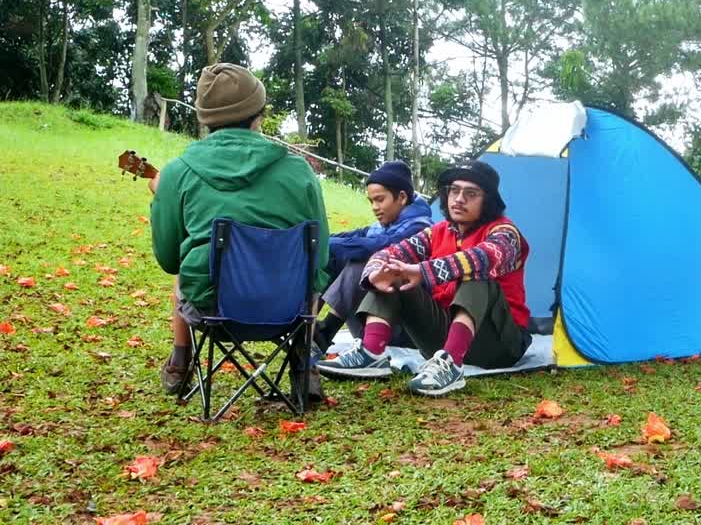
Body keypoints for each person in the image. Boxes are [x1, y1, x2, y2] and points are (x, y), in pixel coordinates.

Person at [149, 63, 331, 396]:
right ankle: (304, 364)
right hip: (290, 312)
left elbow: (168, 259)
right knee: (308, 271)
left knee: (189, 265)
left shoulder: (177, 172)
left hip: (211, 312)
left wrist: (162, 198)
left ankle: (180, 360)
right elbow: (320, 257)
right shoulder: (300, 172)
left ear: (204, 118)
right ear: (259, 115)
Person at [316, 160, 530, 396]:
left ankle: (451, 364)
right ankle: (372, 352)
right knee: (394, 270)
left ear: (487, 200)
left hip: (499, 343)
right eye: (454, 191)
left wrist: (423, 271)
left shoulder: (505, 232)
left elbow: (485, 257)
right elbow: (388, 253)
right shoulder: (436, 232)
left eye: (471, 194)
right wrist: (376, 273)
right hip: (441, 335)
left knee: (476, 273)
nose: (459, 199)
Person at [311, 160, 433, 356]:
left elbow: (380, 245)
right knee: (333, 255)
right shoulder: (381, 227)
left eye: (380, 200)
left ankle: (326, 330)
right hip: (367, 320)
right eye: (371, 201)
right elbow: (349, 237)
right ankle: (307, 326)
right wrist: (316, 240)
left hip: (403, 328)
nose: (375, 207)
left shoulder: (420, 228)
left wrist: (324, 244)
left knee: (363, 259)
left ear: (402, 197)